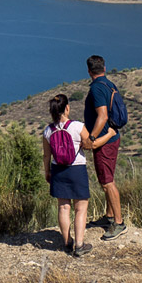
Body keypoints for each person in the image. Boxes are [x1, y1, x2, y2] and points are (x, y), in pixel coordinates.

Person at [42, 92, 94, 257]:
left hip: (58, 170)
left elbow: (46, 155)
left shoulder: (47, 131)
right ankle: (79, 245)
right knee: (81, 208)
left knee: (63, 207)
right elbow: (89, 144)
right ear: (67, 108)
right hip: (76, 169)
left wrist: (47, 172)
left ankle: (67, 242)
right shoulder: (78, 126)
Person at [84, 54, 125, 240]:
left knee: (108, 182)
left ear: (89, 71)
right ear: (104, 68)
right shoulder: (109, 84)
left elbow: (102, 116)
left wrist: (91, 137)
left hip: (104, 142)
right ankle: (109, 217)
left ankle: (118, 223)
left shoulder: (97, 90)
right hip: (111, 138)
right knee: (106, 179)